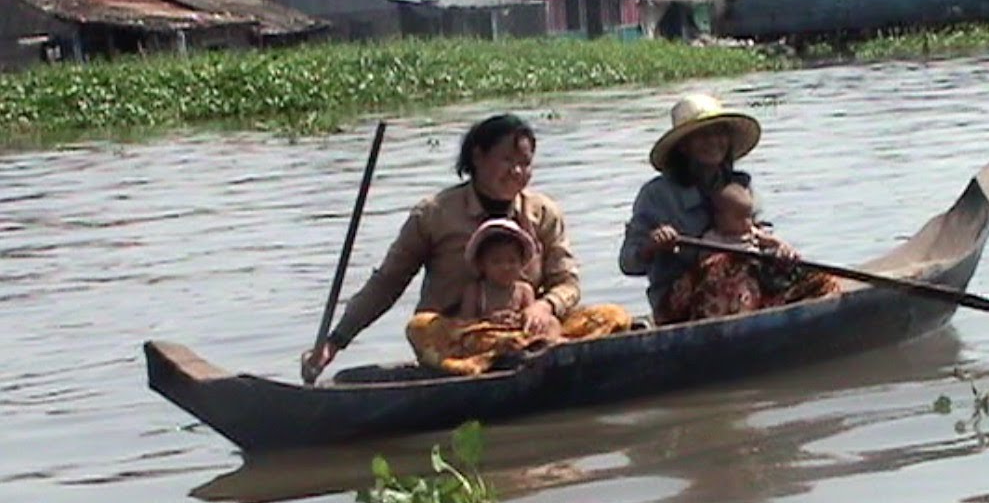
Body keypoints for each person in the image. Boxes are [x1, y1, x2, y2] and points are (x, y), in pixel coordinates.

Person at [301, 113, 580, 382]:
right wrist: (334, 342)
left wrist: (543, 307)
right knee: (420, 327)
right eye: (507, 160)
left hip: (525, 336)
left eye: (525, 163)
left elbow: (567, 283)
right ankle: (483, 367)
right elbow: (388, 282)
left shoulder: (543, 213)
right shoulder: (434, 214)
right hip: (459, 341)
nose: (517, 172)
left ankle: (524, 361)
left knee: (608, 316)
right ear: (478, 157)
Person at [618, 93, 840, 324]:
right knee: (724, 266)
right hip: (681, 303)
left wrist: (780, 249)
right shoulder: (657, 195)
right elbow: (628, 263)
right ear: (684, 147)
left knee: (820, 281)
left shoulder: (741, 185)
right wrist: (652, 246)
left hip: (748, 284)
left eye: (719, 133)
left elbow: (758, 235)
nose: (713, 141)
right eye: (702, 135)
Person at [458, 218, 539, 327]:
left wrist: (518, 319)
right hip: (485, 338)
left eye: (512, 261)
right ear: (482, 264)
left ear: (521, 263)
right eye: (496, 262)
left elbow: (532, 317)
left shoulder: (524, 291)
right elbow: (464, 323)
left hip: (518, 337)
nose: (506, 267)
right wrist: (488, 321)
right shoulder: (476, 291)